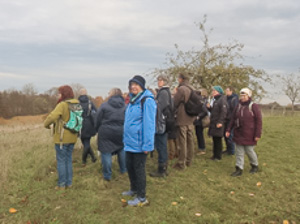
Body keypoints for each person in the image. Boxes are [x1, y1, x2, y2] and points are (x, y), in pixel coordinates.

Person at [122, 75, 156, 207]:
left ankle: (142, 197)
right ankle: (134, 189)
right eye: (131, 85)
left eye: (136, 85)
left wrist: (147, 144)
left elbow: (149, 124)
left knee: (139, 169)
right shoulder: (132, 100)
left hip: (140, 143)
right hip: (129, 142)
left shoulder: (147, 101)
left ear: (142, 86)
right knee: (130, 167)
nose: (133, 87)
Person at [44, 85, 79, 190]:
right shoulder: (76, 103)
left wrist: (46, 125)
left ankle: (61, 184)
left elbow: (52, 116)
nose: (58, 95)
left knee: (61, 161)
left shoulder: (62, 104)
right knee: (68, 160)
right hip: (73, 136)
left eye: (59, 93)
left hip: (62, 138)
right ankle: (69, 183)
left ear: (64, 94)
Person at [226, 88, 262, 177]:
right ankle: (239, 168)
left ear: (248, 96)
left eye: (244, 95)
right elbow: (233, 119)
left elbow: (259, 121)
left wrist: (257, 134)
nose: (242, 97)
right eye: (241, 95)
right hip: (238, 132)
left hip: (250, 133)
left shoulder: (253, 106)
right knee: (239, 151)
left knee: (249, 150)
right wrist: (228, 130)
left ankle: (254, 165)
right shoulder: (238, 106)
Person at [94, 88, 127, 181]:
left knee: (106, 152)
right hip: (121, 131)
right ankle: (124, 170)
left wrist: (97, 129)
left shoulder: (104, 106)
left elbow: (97, 119)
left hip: (106, 131)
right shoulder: (125, 106)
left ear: (111, 95)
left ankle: (107, 175)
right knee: (122, 149)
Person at [150, 75, 172, 178]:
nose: (159, 82)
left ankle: (161, 169)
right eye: (158, 80)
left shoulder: (163, 92)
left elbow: (159, 108)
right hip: (163, 122)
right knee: (162, 145)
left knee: (161, 145)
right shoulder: (166, 92)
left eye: (160, 80)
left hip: (161, 122)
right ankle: (163, 167)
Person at [172, 74, 196, 170]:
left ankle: (182, 163)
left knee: (182, 141)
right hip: (191, 117)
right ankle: (189, 160)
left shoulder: (182, 89)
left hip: (182, 117)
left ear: (181, 79)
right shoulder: (192, 88)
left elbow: (175, 102)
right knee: (190, 140)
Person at [207, 86, 227, 161]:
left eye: (214, 91)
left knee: (218, 140)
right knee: (214, 139)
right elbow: (214, 111)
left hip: (218, 123)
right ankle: (214, 155)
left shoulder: (222, 100)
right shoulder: (216, 100)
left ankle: (218, 156)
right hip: (213, 122)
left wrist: (220, 122)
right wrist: (209, 108)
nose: (213, 92)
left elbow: (223, 112)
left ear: (219, 92)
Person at [78, 88, 97, 166]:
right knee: (87, 143)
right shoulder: (90, 103)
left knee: (85, 142)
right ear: (86, 93)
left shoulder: (77, 103)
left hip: (80, 125)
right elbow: (96, 111)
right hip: (89, 125)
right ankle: (93, 157)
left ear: (79, 94)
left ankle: (84, 161)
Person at [223, 86, 239, 155]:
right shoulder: (226, 98)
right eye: (226, 90)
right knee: (225, 135)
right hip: (226, 119)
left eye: (227, 90)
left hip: (231, 120)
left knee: (230, 135)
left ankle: (232, 151)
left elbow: (235, 110)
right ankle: (228, 149)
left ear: (231, 91)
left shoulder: (234, 99)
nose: (226, 92)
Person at [194, 89, 209, 155]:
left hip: (200, 122)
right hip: (198, 121)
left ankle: (202, 148)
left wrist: (198, 116)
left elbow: (205, 111)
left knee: (200, 135)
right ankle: (201, 147)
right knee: (198, 134)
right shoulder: (201, 100)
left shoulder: (200, 101)